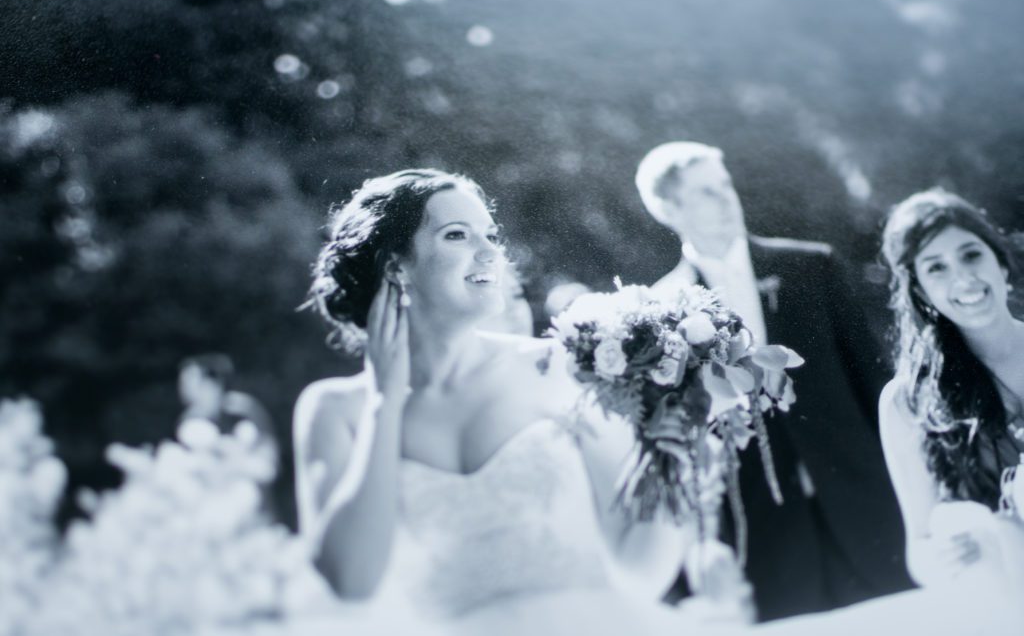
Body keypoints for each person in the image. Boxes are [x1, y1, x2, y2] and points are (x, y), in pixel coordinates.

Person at [290, 168, 1019, 636]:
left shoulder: (559, 369)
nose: (489, 253)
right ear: (395, 263)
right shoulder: (335, 412)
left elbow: (639, 568)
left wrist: (677, 451)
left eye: (490, 234)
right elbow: (351, 581)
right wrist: (387, 401)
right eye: (457, 235)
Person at [634, 141, 913, 619]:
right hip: (767, 531)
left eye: (726, 185)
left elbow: (875, 382)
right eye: (706, 192)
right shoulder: (659, 312)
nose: (727, 199)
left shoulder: (812, 266)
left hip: (866, 500)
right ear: (669, 208)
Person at [878, 188, 1024, 589]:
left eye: (971, 254)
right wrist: (946, 556)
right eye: (936, 267)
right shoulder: (907, 403)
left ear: (1002, 264)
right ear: (921, 292)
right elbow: (920, 550)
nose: (964, 278)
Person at [178, 353, 280, 511]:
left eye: (193, 384)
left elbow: (268, 469)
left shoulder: (246, 411)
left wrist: (228, 452)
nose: (186, 392)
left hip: (254, 507)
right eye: (184, 385)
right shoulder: (189, 422)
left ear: (214, 384)